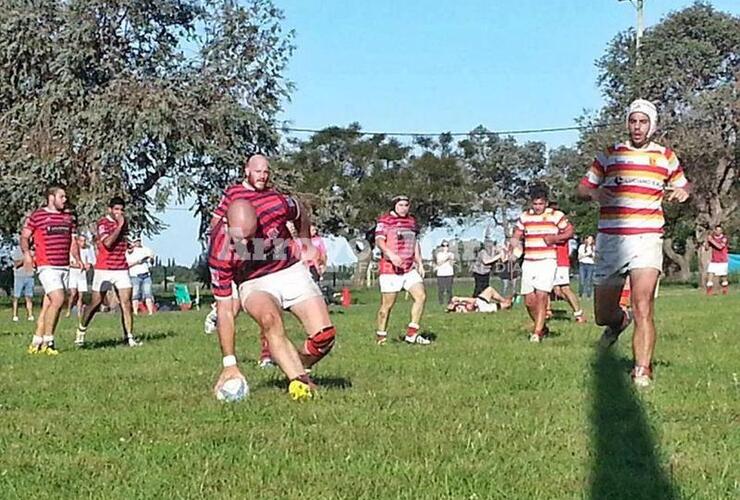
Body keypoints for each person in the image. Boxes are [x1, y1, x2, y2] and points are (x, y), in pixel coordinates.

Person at [577, 98, 690, 387]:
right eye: (633, 121)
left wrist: (682, 193)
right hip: (612, 240)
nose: (637, 126)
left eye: (643, 121)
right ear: (627, 123)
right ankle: (618, 322)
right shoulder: (610, 154)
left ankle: (642, 369)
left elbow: (682, 183)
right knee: (603, 314)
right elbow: (583, 186)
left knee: (644, 305)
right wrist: (596, 194)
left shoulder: (665, 156)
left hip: (647, 237)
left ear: (652, 125)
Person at [211, 155, 337, 400]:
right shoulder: (219, 249)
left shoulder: (275, 203)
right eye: (240, 241)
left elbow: (300, 210)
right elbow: (225, 311)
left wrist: (305, 243)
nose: (245, 246)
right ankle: (300, 383)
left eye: (250, 240)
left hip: (288, 270)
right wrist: (229, 362)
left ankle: (294, 362)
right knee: (270, 320)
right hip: (254, 283)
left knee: (324, 338)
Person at [75, 197, 142, 347]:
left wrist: (128, 245)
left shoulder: (124, 224)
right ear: (110, 210)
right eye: (116, 210)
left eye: (122, 210)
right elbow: (108, 243)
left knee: (126, 302)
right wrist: (119, 226)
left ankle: (129, 337)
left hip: (121, 268)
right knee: (96, 303)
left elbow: (121, 240)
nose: (119, 213)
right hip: (104, 268)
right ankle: (81, 330)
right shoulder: (103, 224)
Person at [20, 185, 79, 354]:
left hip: (63, 266)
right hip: (47, 265)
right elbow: (25, 236)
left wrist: (78, 259)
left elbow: (72, 241)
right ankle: (49, 342)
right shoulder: (38, 216)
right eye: (62, 197)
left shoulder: (68, 218)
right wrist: (27, 254)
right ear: (51, 197)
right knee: (58, 299)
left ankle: (36, 341)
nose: (65, 200)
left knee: (48, 304)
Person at [510, 187, 572, 343]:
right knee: (529, 300)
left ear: (546, 203)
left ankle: (537, 333)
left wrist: (555, 238)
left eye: (541, 204)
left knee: (542, 295)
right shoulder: (525, 217)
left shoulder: (556, 215)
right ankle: (542, 325)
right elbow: (516, 235)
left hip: (547, 260)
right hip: (529, 261)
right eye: (535, 204)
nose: (538, 207)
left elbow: (569, 231)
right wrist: (512, 246)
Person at [374, 195, 429, 345]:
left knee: (421, 296)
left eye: (406, 205)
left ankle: (412, 333)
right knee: (387, 305)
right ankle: (381, 336)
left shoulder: (411, 222)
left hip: (409, 268)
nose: (404, 208)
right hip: (390, 270)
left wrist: (419, 262)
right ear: (394, 206)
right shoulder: (385, 221)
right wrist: (391, 255)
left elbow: (415, 242)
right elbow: (379, 240)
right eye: (401, 205)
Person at [548, 202, 586, 323]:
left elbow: (567, 235)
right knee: (551, 289)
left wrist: (552, 239)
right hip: (549, 259)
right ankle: (547, 311)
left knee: (564, 289)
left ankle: (579, 314)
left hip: (560, 259)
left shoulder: (562, 224)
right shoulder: (547, 224)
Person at [126, 236, 156, 315]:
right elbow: (127, 265)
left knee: (148, 293)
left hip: (146, 274)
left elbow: (151, 262)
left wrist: (151, 258)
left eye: (138, 241)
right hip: (135, 275)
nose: (137, 242)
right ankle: (135, 312)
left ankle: (150, 312)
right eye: (136, 241)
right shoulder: (129, 251)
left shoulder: (146, 249)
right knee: (135, 294)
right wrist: (137, 262)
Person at [66, 234, 92, 319]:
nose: (83, 243)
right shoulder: (72, 251)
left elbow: (89, 262)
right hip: (73, 274)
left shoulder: (87, 251)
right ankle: (69, 309)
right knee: (73, 294)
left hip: (82, 275)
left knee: (81, 296)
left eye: (84, 241)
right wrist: (79, 266)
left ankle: (79, 313)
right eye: (81, 241)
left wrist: (88, 265)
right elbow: (70, 264)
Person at [11, 244, 34, 322]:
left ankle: (30, 315)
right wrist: (24, 259)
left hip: (30, 276)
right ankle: (15, 315)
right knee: (16, 297)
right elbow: (16, 264)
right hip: (19, 276)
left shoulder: (32, 252)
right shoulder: (17, 251)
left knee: (29, 297)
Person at [447, 286, 512, 313]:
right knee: (506, 305)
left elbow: (474, 300)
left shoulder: (456, 303)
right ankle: (508, 302)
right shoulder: (458, 311)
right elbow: (471, 307)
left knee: (490, 289)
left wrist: (459, 299)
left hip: (479, 302)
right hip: (481, 308)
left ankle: (505, 300)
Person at [705, 225, 729, 295]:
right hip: (714, 260)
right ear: (714, 231)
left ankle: (724, 290)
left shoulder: (724, 238)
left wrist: (711, 240)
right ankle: (709, 292)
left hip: (723, 260)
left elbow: (720, 247)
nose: (718, 231)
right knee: (710, 273)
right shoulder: (712, 238)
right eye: (717, 230)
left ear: (721, 231)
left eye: (720, 230)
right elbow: (706, 248)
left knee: (723, 276)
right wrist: (707, 241)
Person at [434, 240, 455, 305]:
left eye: (447, 245)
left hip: (449, 273)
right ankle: (441, 302)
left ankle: (449, 302)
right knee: (441, 289)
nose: (445, 247)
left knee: (449, 289)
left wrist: (451, 260)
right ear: (441, 247)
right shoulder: (439, 254)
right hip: (441, 274)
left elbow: (451, 263)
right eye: (443, 246)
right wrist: (446, 259)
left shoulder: (451, 254)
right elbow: (439, 263)